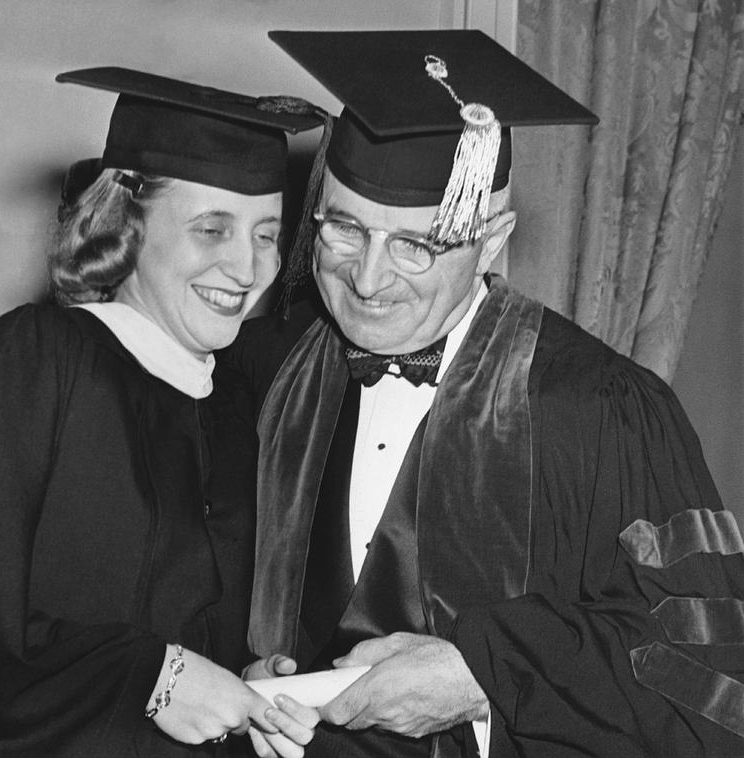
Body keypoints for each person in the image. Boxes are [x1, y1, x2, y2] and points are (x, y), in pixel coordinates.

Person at [232, 30, 744, 757]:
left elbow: (712, 679)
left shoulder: (602, 410)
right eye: (344, 230)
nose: (368, 280)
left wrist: (483, 678)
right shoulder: (270, 369)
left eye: (417, 245)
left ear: (493, 236)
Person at [0, 67, 322, 758]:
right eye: (211, 228)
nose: (247, 269)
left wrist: (242, 682)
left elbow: (196, 627)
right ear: (124, 226)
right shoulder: (44, 358)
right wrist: (152, 677)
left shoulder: (235, 412)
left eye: (265, 234)